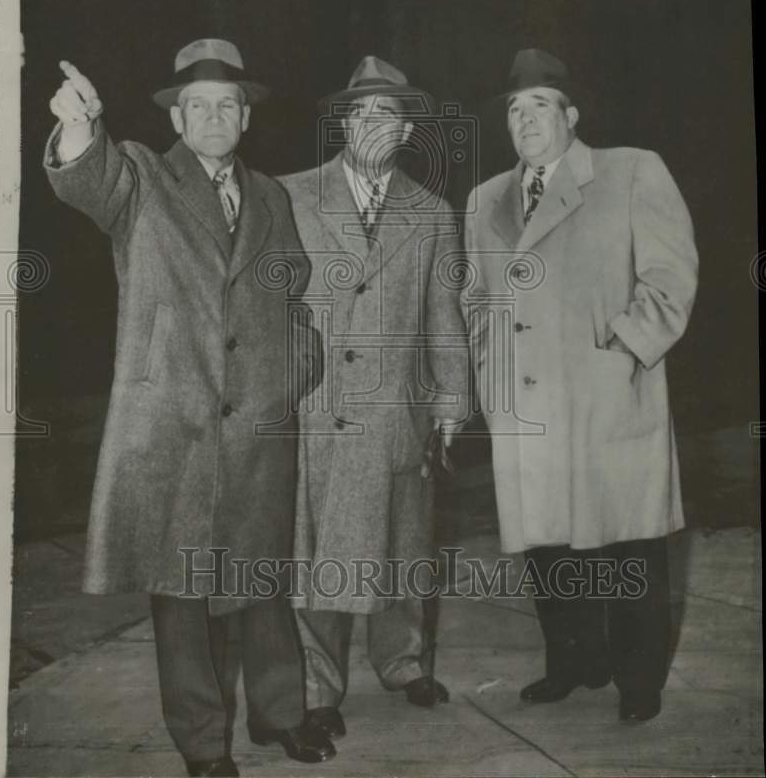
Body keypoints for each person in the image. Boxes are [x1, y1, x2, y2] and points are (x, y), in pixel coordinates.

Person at [44, 38, 334, 777]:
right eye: (196, 104)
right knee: (181, 592)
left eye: (226, 104)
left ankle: (282, 717)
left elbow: (290, 291)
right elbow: (87, 179)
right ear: (176, 116)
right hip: (173, 429)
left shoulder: (270, 194)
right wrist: (79, 126)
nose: (212, 116)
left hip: (259, 428)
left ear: (245, 116)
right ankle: (204, 745)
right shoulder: (142, 175)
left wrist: (294, 370)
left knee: (263, 581)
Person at [461, 47, 698, 723]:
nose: (525, 119)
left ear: (571, 114)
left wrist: (624, 348)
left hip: (605, 397)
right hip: (527, 407)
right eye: (514, 108)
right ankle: (571, 663)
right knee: (549, 545)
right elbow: (477, 300)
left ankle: (638, 681)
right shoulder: (485, 201)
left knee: (627, 545)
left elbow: (671, 278)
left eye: (540, 105)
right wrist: (491, 373)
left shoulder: (628, 171)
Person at [279, 55, 470, 742]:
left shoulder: (433, 213)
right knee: (321, 550)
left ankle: (402, 662)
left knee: (401, 542)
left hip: (397, 407)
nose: (369, 125)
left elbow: (444, 314)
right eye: (358, 113)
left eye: (384, 113)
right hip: (318, 405)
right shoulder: (292, 195)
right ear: (342, 123)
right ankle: (317, 684)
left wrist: (450, 401)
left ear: (408, 128)